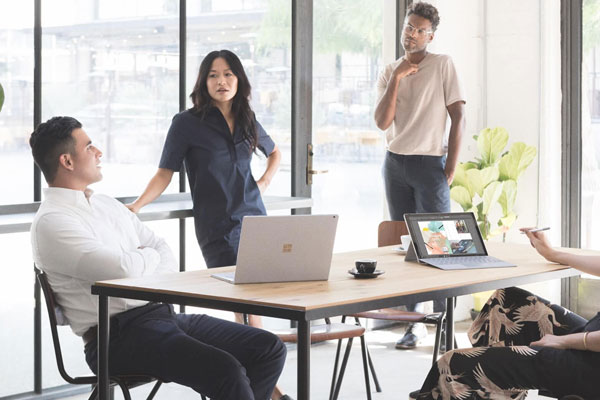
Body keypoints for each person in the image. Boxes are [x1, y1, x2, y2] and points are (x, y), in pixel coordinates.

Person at [29, 116, 287, 400]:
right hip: (117, 338)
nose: (99, 152)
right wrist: (142, 257)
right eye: (89, 147)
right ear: (67, 161)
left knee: (267, 347)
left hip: (162, 316)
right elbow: (122, 269)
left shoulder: (105, 204)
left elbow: (163, 252)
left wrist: (141, 257)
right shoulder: (53, 222)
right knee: (225, 369)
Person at [125, 49, 291, 400]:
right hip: (217, 228)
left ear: (239, 79)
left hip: (256, 221)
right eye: (213, 75)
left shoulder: (247, 118)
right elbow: (164, 172)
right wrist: (137, 206)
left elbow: (275, 153)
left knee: (253, 300)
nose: (221, 81)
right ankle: (268, 389)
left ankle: (260, 383)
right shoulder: (186, 123)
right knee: (244, 301)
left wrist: (263, 183)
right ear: (203, 82)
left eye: (228, 74)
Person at [374, 2, 466, 350]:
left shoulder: (443, 65)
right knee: (405, 243)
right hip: (394, 164)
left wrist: (450, 169)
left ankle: (444, 324)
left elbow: (459, 117)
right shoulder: (389, 71)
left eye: (418, 29)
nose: (410, 34)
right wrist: (397, 78)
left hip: (430, 165)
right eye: (407, 27)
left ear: (431, 35)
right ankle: (415, 324)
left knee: (439, 246)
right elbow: (383, 122)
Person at [414, 228, 600, 400]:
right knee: (507, 300)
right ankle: (495, 390)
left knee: (453, 366)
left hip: (591, 366)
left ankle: (481, 379)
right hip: (591, 340)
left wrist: (561, 341)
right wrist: (552, 254)